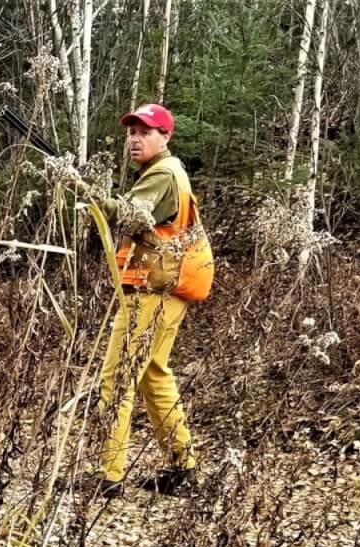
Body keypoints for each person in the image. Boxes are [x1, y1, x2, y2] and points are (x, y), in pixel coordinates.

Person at [87, 103, 204, 497]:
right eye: (131, 132)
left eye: (145, 132)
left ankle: (108, 475)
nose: (135, 139)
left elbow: (129, 217)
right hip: (167, 292)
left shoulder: (163, 174)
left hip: (152, 294)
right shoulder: (170, 173)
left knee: (118, 378)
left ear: (166, 137)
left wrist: (88, 193)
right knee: (153, 374)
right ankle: (182, 465)